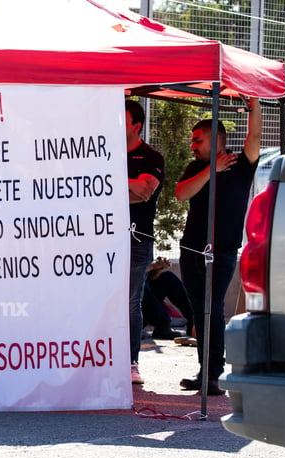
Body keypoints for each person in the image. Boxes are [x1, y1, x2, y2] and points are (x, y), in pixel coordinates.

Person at [176, 98, 261, 396]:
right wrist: (211, 169)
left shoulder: (240, 166)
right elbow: (181, 194)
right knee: (199, 311)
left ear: (216, 140)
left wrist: (254, 102)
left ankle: (214, 373)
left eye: (198, 140)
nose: (192, 146)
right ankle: (205, 371)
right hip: (191, 251)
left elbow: (255, 138)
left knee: (211, 309)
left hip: (221, 252)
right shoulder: (195, 167)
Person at [124, 99, 165, 385]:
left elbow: (144, 191)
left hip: (137, 239)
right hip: (102, 237)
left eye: (121, 119)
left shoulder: (151, 156)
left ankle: (130, 362)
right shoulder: (100, 151)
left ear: (137, 125)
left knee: (130, 301)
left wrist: (108, 182)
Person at [142, 257, 194, 340]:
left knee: (168, 278)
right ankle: (163, 323)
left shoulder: (146, 246)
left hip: (146, 305)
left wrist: (159, 268)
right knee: (142, 286)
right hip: (131, 304)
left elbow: (150, 278)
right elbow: (131, 274)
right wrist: (152, 266)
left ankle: (193, 323)